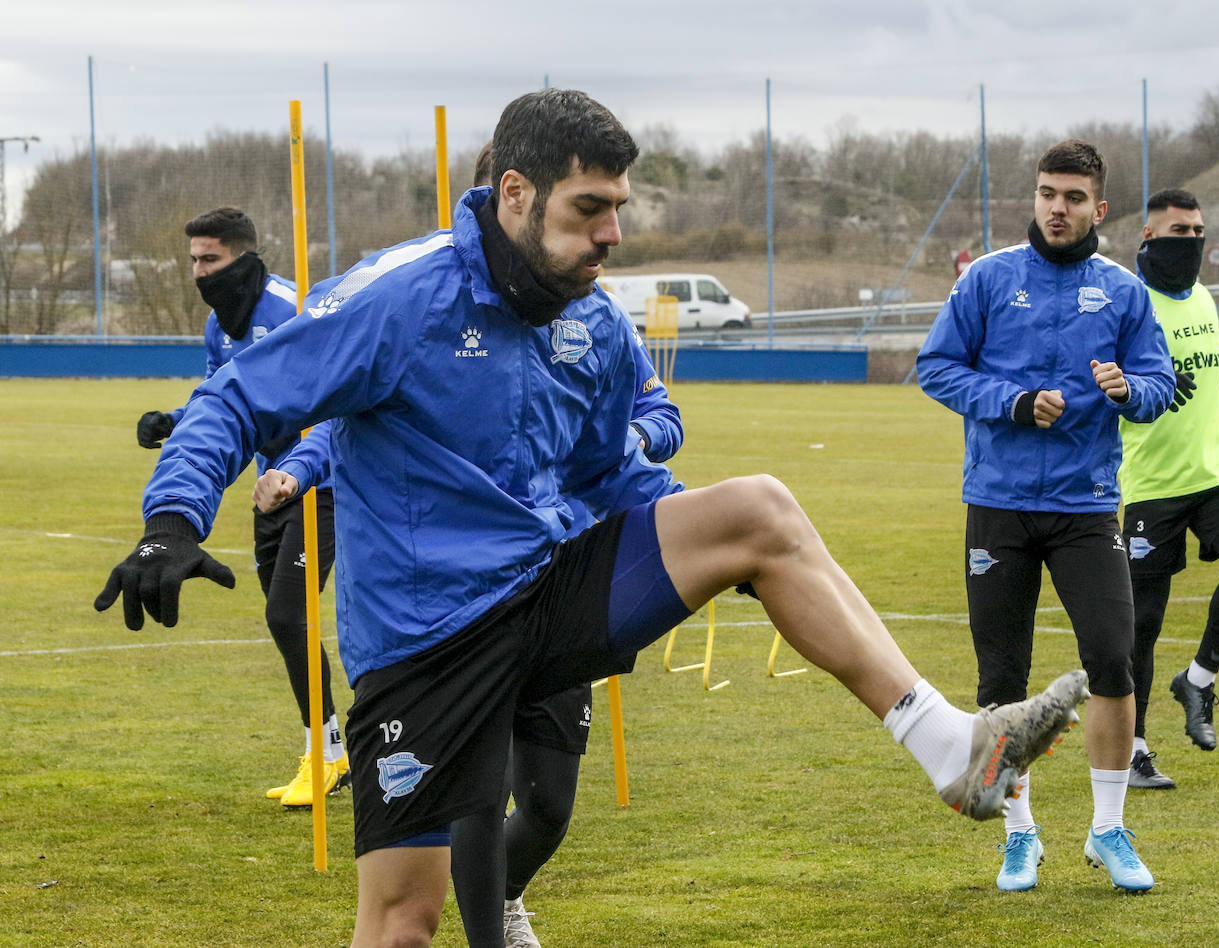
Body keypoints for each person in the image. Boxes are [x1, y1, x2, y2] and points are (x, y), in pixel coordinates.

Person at [97, 89, 1090, 947]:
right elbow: (237, 402)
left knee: (758, 511)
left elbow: (610, 471)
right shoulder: (398, 300)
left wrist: (700, 544)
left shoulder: (596, 322)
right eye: (589, 209)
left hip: (549, 592)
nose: (611, 235)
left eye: (618, 208)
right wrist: (173, 519)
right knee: (404, 919)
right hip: (424, 642)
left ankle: (954, 752)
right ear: (516, 194)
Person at [251, 140, 686, 948]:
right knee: (474, 798)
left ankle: (509, 893)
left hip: (557, 581)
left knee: (550, 800)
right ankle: (491, 931)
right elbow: (349, 420)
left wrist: (615, 443)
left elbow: (661, 418)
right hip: (451, 606)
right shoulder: (420, 300)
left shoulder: (592, 316)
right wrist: (296, 469)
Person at [916, 139, 1175, 893]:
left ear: (1099, 208)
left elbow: (1160, 382)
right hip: (998, 504)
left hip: (1086, 507)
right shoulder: (989, 280)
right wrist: (1014, 402)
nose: (1056, 208)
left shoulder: (1124, 292)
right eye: (1045, 193)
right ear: (1034, 199)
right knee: (1002, 676)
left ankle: (1109, 830)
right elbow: (936, 367)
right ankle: (1020, 836)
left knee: (1113, 659)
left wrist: (1129, 390)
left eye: (1072, 197)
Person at [134, 207, 348, 808]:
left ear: (244, 256)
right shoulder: (217, 323)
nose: (200, 273)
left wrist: (301, 468)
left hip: (320, 484)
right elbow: (224, 398)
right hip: (266, 489)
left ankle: (328, 755)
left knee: (287, 615)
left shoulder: (292, 309)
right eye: (195, 261)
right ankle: (328, 752)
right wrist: (174, 422)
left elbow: (338, 400)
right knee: (286, 624)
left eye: (211, 260)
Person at [1119, 188, 1219, 791]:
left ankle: (1200, 680)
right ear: (1148, 239)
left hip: (1217, 473)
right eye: (1178, 232)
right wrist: (1144, 392)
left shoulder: (1205, 298)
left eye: (1198, 231)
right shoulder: (1127, 305)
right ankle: (1133, 750)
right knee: (1143, 625)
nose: (1192, 242)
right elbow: (1102, 389)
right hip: (1153, 484)